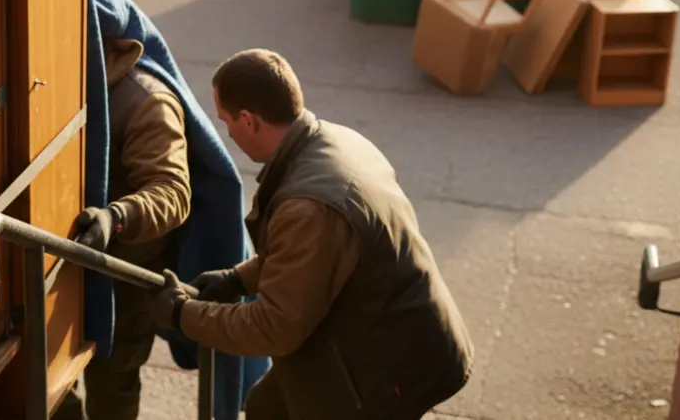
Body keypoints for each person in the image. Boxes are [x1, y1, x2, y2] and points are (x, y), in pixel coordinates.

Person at [149, 48, 474, 419]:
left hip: (387, 370)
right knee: (265, 410)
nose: (229, 134)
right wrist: (236, 279)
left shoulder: (308, 206)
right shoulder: (334, 141)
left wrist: (183, 315)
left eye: (227, 123)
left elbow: (274, 327)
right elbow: (310, 259)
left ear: (249, 120)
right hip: (382, 333)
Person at [55, 33, 193, 420]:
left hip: (121, 283)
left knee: (113, 389)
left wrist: (115, 218)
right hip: (56, 275)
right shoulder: (55, 80)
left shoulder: (145, 100)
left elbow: (172, 192)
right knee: (49, 392)